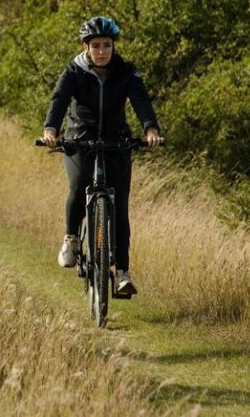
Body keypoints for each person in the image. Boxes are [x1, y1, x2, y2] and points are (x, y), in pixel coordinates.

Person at [41, 16, 163, 295]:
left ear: (113, 46)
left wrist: (151, 129)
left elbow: (141, 100)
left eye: (107, 45)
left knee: (119, 206)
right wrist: (50, 129)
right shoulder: (74, 70)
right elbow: (59, 100)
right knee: (78, 184)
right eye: (95, 45)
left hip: (116, 140)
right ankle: (72, 238)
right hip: (79, 139)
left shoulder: (126, 71)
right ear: (86, 47)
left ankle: (121, 273)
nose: (102, 50)